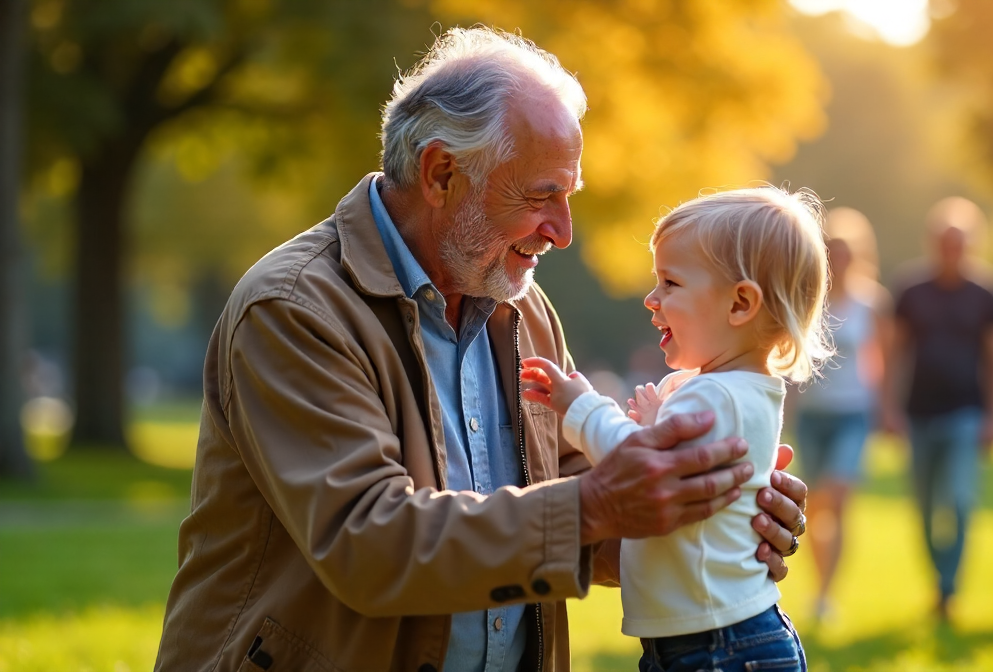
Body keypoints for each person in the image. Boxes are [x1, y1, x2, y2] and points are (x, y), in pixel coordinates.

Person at [152, 28, 810, 672]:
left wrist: (712, 515)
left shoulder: (521, 304)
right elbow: (369, 543)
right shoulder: (295, 308)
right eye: (540, 196)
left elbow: (585, 512)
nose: (563, 231)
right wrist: (603, 503)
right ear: (442, 173)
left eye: (568, 196)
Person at [521, 186, 829, 672]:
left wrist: (581, 407)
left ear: (740, 303)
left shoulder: (715, 396)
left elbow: (641, 469)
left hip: (717, 646)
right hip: (717, 637)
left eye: (670, 283)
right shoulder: (736, 389)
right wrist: (653, 423)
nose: (651, 298)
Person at [880, 196, 993, 619]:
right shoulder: (910, 290)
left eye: (959, 242)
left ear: (971, 244)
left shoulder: (987, 294)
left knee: (957, 502)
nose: (951, 249)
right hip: (918, 414)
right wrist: (888, 407)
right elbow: (894, 354)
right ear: (933, 242)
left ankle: (949, 587)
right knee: (921, 506)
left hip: (965, 415)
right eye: (944, 241)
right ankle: (939, 579)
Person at [791, 207, 891, 621]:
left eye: (846, 251)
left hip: (854, 413)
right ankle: (820, 589)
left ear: (859, 255)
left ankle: (828, 592)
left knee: (838, 496)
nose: (839, 258)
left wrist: (886, 408)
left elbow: (884, 359)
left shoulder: (873, 303)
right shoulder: (806, 296)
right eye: (832, 250)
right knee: (815, 509)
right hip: (812, 415)